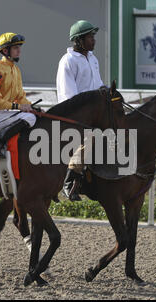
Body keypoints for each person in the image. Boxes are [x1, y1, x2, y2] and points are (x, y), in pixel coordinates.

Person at [56, 20, 105, 201]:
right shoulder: (67, 61)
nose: (93, 40)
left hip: (93, 114)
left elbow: (98, 86)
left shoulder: (92, 59)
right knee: (93, 137)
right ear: (78, 40)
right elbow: (69, 98)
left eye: (93, 36)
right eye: (90, 37)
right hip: (73, 116)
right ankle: (70, 181)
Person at [0, 32, 35, 158]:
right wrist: (18, 107)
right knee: (30, 118)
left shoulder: (15, 70)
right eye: (15, 48)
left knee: (33, 115)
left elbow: (20, 96)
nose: (19, 50)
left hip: (2, 112)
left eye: (19, 47)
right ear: (5, 50)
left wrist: (32, 107)